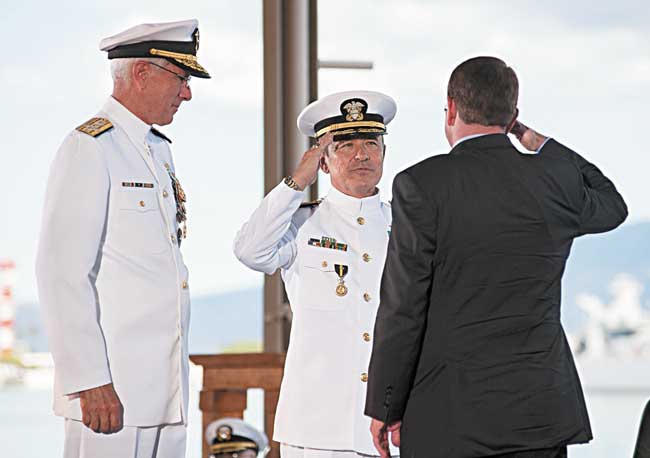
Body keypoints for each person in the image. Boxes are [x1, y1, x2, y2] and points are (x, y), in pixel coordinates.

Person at [364, 56, 628, 458]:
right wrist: (543, 145)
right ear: (513, 116)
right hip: (540, 415)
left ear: (451, 107)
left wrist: (386, 405)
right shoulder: (552, 180)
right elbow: (612, 205)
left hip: (449, 415)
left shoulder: (422, 184)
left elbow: (404, 307)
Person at [35, 19, 210, 458]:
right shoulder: (91, 146)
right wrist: (89, 380)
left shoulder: (158, 150)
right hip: (111, 392)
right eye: (181, 78)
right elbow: (62, 272)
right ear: (141, 73)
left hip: (164, 391)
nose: (186, 93)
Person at [234, 90, 399, 457]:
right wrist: (295, 183)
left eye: (371, 142)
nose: (361, 154)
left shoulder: (405, 226)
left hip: (386, 424)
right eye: (345, 145)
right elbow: (249, 250)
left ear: (384, 154)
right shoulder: (301, 223)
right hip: (318, 427)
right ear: (322, 162)